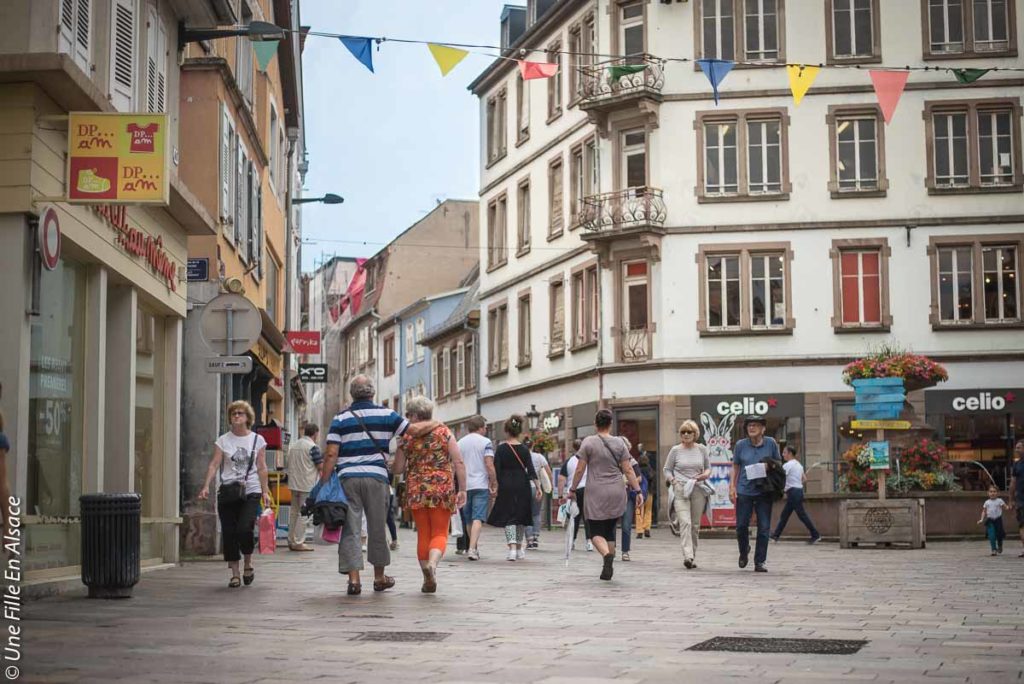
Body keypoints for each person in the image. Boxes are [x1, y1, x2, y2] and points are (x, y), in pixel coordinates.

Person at [321, 375, 408, 596]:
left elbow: (331, 453)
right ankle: (379, 578)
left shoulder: (340, 419)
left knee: (351, 528)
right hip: (377, 478)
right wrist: (397, 461)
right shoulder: (387, 414)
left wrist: (324, 481)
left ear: (352, 394)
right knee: (377, 527)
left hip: (348, 479)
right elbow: (408, 435)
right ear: (372, 393)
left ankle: (354, 580)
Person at [393, 396, 467, 593]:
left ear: (415, 415)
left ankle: (426, 577)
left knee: (423, 533)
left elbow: (398, 468)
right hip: (441, 488)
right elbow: (458, 461)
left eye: (408, 415)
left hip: (417, 489)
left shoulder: (406, 438)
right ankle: (432, 566)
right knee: (440, 532)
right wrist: (463, 489)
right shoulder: (443, 432)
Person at [198, 400, 273, 587]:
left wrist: (265, 491)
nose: (236, 416)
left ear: (248, 417)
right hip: (228, 491)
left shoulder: (257, 440)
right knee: (230, 532)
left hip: (251, 490)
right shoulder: (223, 440)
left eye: (240, 413)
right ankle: (235, 573)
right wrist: (206, 485)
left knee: (244, 529)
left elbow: (262, 467)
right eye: (233, 414)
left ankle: (248, 563)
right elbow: (214, 464)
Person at [568, 409, 644, 581]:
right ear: (610, 424)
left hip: (596, 490)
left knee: (594, 530)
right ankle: (608, 563)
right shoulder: (619, 443)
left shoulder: (588, 442)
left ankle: (606, 556)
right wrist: (638, 490)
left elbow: (580, 469)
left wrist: (572, 489)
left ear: (596, 424)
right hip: (617, 489)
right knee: (610, 528)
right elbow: (629, 469)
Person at [729, 415, 781, 573]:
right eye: (749, 425)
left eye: (755, 425)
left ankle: (760, 561)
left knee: (764, 527)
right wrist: (732, 486)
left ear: (763, 429)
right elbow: (735, 466)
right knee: (741, 526)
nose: (751, 428)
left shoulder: (771, 443)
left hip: (764, 490)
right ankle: (744, 551)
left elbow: (778, 463)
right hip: (744, 490)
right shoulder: (740, 445)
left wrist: (769, 465)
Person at [487, 414, 540, 561]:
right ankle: (519, 548)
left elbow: (496, 469)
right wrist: (538, 487)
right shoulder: (524, 449)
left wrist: (493, 486)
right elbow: (531, 469)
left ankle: (511, 549)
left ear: (506, 431)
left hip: (506, 485)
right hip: (522, 484)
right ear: (519, 431)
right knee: (520, 516)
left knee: (509, 517)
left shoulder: (502, 448)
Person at [664, 419, 712, 569]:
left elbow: (708, 468)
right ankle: (688, 556)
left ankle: (692, 555)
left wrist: (704, 475)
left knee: (695, 525)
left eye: (689, 432)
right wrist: (673, 481)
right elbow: (667, 469)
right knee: (685, 522)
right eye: (683, 432)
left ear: (695, 434)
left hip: (697, 488)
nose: (685, 434)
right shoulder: (675, 450)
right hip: (680, 489)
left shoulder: (702, 449)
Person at [457, 415, 497, 560]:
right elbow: (489, 464)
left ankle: (472, 546)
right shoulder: (486, 442)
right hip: (481, 484)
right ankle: (473, 549)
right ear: (480, 428)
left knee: (468, 519)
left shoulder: (460, 443)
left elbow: (456, 464)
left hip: (465, 486)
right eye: (485, 427)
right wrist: (494, 482)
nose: (486, 430)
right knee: (478, 518)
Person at [770, 445, 821, 544]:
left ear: (789, 454)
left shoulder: (788, 465)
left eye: (784, 452)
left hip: (793, 492)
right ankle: (775, 536)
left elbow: (781, 477)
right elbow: (804, 479)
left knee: (801, 515)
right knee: (785, 515)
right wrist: (796, 483)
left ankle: (816, 535)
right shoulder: (799, 465)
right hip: (798, 491)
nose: (783, 454)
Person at [285, 422, 322, 551]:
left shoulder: (294, 445)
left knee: (294, 512)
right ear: (315, 433)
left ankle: (291, 539)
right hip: (307, 484)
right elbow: (320, 466)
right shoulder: (313, 447)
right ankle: (299, 542)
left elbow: (287, 462)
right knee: (304, 514)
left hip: (294, 483)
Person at [560, 439, 593, 551]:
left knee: (575, 517)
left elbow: (561, 479)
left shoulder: (569, 462)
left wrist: (560, 495)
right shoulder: (590, 461)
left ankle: (572, 541)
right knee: (588, 517)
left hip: (574, 491)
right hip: (588, 490)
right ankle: (589, 542)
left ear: (573, 448)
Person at [619, 442, 644, 561]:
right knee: (611, 524)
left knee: (626, 524)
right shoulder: (611, 460)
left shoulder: (632, 461)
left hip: (627, 495)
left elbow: (639, 477)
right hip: (612, 496)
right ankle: (610, 549)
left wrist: (627, 481)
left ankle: (625, 551)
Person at [527, 447, 552, 549]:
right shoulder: (539, 457)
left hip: (525, 488)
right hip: (537, 488)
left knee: (527, 514)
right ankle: (536, 537)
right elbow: (548, 472)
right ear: (532, 446)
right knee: (536, 513)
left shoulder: (522, 456)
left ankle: (529, 540)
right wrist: (549, 485)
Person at [978, 485, 1007, 556]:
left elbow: (1005, 507)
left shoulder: (999, 501)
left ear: (998, 493)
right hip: (990, 521)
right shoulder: (987, 502)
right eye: (991, 492)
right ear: (988, 493)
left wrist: (1009, 507)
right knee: (991, 536)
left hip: (998, 520)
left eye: (994, 492)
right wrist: (981, 519)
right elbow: (984, 511)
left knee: (999, 535)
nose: (992, 493)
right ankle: (993, 549)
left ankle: (1000, 545)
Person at [635, 452, 656, 539]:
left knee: (639, 511)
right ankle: (647, 528)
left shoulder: (637, 470)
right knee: (648, 511)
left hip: (640, 493)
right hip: (649, 493)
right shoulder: (650, 470)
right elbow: (653, 480)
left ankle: (640, 530)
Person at [1011, 440, 1024, 557]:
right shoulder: (1016, 464)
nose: (1016, 450)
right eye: (1016, 448)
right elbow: (1013, 483)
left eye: (1019, 448)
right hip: (1021, 499)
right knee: (1022, 525)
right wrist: (1011, 499)